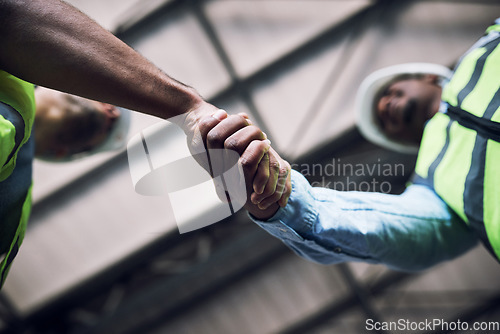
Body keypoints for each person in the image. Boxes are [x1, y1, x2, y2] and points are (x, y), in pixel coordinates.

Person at [0, 0, 285, 287]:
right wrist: (190, 108)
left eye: (98, 135)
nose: (112, 111)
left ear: (60, 152)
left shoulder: (13, 204)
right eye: (108, 103)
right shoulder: (12, 67)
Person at [197, 18, 500, 272]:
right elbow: (389, 227)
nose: (386, 105)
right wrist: (282, 200)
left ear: (428, 76)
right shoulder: (433, 188)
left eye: (392, 92)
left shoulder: (487, 48)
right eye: (385, 123)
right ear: (401, 142)